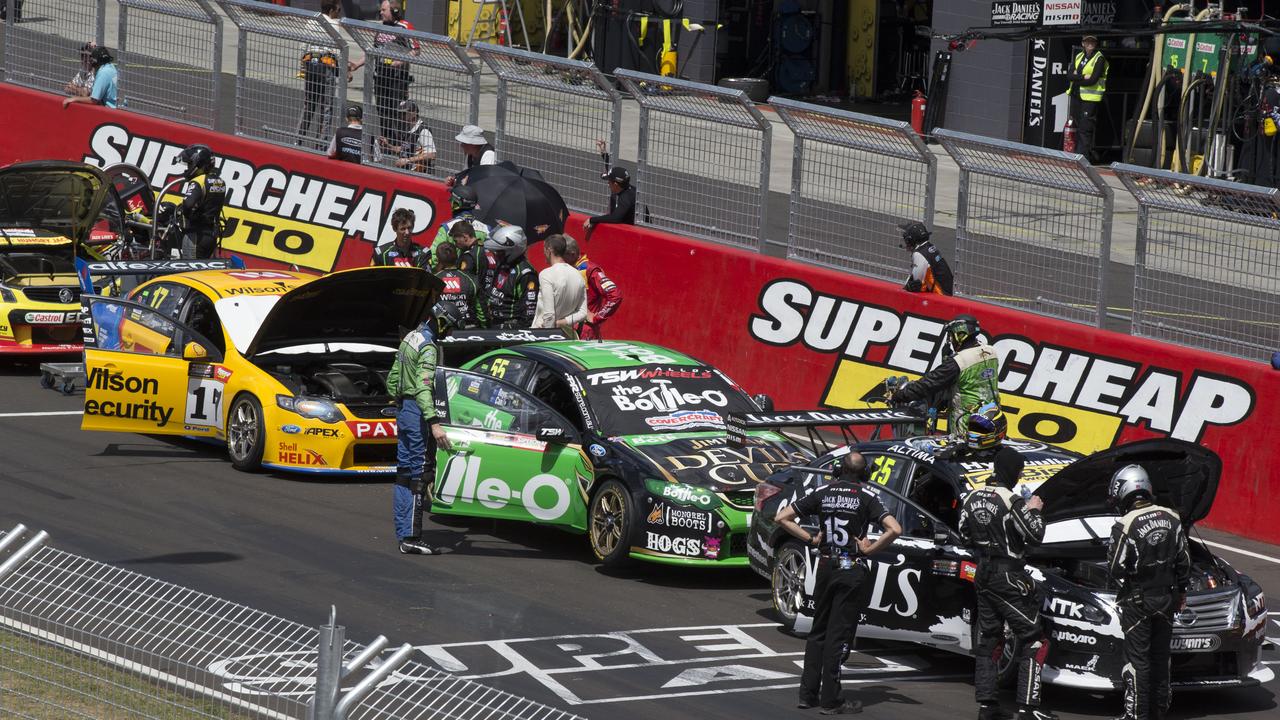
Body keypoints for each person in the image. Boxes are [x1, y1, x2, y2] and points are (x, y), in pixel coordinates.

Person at [775, 452, 902, 715]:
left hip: (825, 564)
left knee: (818, 630)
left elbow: (782, 518)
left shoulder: (822, 491)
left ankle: (807, 695)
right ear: (863, 474)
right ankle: (831, 700)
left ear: (838, 470)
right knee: (837, 634)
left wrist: (811, 540)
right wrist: (869, 550)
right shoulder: (868, 496)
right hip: (850, 565)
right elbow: (895, 529)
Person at [958, 447, 1056, 720]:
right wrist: (1034, 510)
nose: (1021, 474)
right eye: (1020, 469)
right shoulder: (1012, 500)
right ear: (1011, 471)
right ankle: (1027, 709)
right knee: (1035, 640)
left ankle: (987, 707)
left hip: (983, 573)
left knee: (989, 639)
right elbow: (1035, 534)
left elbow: (964, 535)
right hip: (1009, 577)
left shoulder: (971, 496)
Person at [1106, 465, 1191, 720]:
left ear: (1124, 490)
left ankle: (1136, 715)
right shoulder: (1172, 517)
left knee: (1138, 662)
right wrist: (1182, 592)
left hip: (1138, 601)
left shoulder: (1125, 523)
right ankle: (1159, 712)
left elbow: (1114, 568)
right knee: (1161, 657)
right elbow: (1184, 561)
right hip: (1167, 599)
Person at [386, 302, 454, 555]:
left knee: (403, 473)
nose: (450, 332)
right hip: (416, 411)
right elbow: (424, 386)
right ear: (442, 321)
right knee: (419, 474)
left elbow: (393, 377)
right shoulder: (428, 346)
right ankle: (413, 537)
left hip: (403, 409)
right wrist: (434, 422)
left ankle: (403, 533)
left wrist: (398, 401)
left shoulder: (411, 337)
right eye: (450, 325)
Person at [888, 314, 1000, 442]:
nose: (951, 340)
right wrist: (948, 360)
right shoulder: (992, 352)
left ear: (960, 334)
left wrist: (899, 395)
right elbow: (969, 378)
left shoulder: (958, 361)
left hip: (966, 427)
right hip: (992, 420)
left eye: (951, 336)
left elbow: (928, 384)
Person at [349, 0, 418, 145]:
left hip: (397, 79)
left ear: (394, 12)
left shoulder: (405, 26)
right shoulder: (381, 28)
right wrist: (357, 64)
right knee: (382, 110)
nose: (380, 13)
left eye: (383, 10)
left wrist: (401, 60)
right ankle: (386, 141)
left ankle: (400, 143)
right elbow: (373, 52)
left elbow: (416, 50)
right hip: (380, 76)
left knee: (397, 111)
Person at [297, 0, 342, 150]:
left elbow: (303, 45)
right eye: (338, 8)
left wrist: (303, 66)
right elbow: (337, 50)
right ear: (332, 9)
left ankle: (299, 139)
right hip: (326, 67)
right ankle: (321, 144)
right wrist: (344, 70)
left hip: (311, 64)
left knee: (309, 105)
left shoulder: (312, 21)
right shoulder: (334, 24)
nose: (339, 11)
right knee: (326, 107)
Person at [563, 236, 622, 340]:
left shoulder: (589, 269)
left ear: (572, 254)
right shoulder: (567, 269)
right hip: (566, 328)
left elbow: (615, 295)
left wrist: (597, 317)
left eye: (561, 256)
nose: (559, 260)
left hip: (584, 334)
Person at [175, 144, 226, 259]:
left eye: (189, 164)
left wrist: (185, 214)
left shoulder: (198, 181)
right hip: (212, 235)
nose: (187, 168)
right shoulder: (220, 181)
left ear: (197, 164)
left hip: (196, 235)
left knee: (189, 272)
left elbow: (188, 205)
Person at [484, 225, 539, 329]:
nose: (495, 255)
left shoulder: (526, 274)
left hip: (509, 329)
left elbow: (528, 315)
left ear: (513, 250)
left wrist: (510, 329)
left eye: (500, 252)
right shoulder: (502, 265)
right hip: (493, 324)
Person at [533, 234, 588, 335]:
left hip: (542, 334)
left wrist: (547, 335)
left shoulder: (546, 274)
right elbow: (583, 313)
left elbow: (549, 314)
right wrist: (562, 322)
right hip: (567, 336)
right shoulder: (578, 275)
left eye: (544, 250)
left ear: (549, 250)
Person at [1067, 35, 1108, 161]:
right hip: (1076, 96)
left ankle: (1081, 159)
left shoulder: (1099, 58)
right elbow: (1069, 75)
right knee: (1076, 127)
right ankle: (1074, 155)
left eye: (1093, 41)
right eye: (1088, 41)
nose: (1090, 43)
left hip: (1090, 99)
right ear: (1083, 43)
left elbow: (1093, 79)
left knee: (1085, 129)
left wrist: (1077, 76)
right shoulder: (1079, 56)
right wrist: (1083, 76)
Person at [434, 242, 485, 329]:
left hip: (442, 330)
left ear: (438, 258)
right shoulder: (471, 279)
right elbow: (481, 309)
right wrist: (485, 328)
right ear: (457, 256)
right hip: (468, 329)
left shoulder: (433, 280)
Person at [431, 185, 491, 255]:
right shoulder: (486, 229)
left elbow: (434, 255)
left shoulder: (447, 227)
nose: (450, 201)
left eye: (452, 199)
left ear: (457, 204)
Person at [899, 221, 953, 295]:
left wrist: (907, 287)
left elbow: (916, 284)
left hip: (940, 296)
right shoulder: (928, 247)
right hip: (945, 292)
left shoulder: (919, 254)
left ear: (911, 240)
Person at [584, 165, 636, 239]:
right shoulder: (630, 190)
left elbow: (615, 218)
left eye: (609, 182)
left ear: (615, 185)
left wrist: (592, 220)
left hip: (632, 235)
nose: (608, 184)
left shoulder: (626, 198)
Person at [384, 99, 436, 173]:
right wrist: (388, 146)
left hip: (419, 175)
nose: (401, 116)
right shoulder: (407, 128)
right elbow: (404, 149)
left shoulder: (423, 131)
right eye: (400, 113)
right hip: (407, 172)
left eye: (404, 113)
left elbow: (431, 154)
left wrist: (408, 160)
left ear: (414, 113)